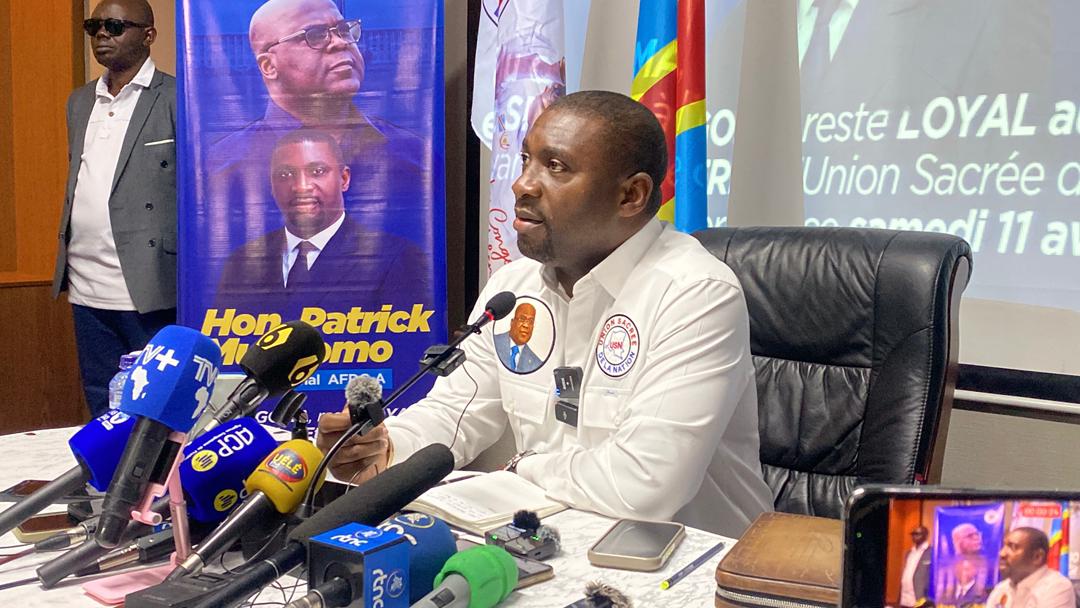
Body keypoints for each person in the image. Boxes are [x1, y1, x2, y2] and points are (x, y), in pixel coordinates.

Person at [317, 90, 773, 537]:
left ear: (631, 196)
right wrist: (384, 448)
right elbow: (457, 412)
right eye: (526, 160)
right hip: (551, 541)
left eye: (555, 167)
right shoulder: (512, 289)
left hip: (694, 563)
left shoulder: (695, 293)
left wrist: (521, 467)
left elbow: (645, 487)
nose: (522, 185)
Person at [206, 0, 426, 246]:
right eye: (316, 35)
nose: (340, 42)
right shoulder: (221, 169)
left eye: (344, 30)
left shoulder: (415, 159)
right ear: (268, 66)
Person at [52, 0, 177, 418]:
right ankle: (106, 465)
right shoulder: (79, 101)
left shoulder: (176, 97)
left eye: (115, 25)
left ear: (148, 35)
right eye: (94, 26)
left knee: (154, 403)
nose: (102, 34)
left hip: (149, 284)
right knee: (101, 400)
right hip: (86, 281)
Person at [214, 128, 428, 317]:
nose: (301, 186)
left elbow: (406, 343)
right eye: (285, 174)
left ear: (344, 179)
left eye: (317, 171)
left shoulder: (395, 257)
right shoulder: (242, 263)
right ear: (272, 185)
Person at [986, 527, 1076, 608]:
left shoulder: (1057, 587)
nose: (1002, 554)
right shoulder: (1002, 588)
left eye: (1013, 547)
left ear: (1037, 557)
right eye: (1004, 546)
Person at [494, 303, 544, 373]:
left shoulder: (537, 364)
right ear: (512, 322)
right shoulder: (492, 342)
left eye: (531, 322)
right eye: (522, 319)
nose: (526, 325)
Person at [900, 526, 931, 608]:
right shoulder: (909, 553)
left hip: (919, 599)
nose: (914, 536)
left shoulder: (931, 552)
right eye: (913, 534)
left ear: (925, 535)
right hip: (905, 598)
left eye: (917, 534)